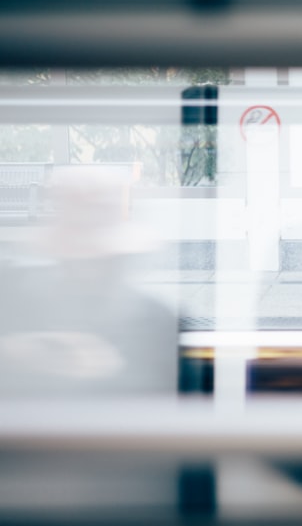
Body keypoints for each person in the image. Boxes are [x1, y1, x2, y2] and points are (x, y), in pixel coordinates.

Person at [0, 166, 177, 396]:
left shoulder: (153, 319)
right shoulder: (20, 300)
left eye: (97, 258)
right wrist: (24, 353)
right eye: (79, 259)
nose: (89, 267)